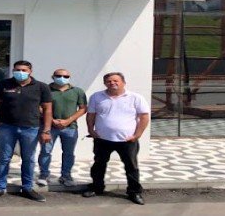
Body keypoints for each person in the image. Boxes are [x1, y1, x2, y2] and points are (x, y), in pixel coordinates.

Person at [0, 60, 52, 203]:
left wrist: (46, 130)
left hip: (30, 128)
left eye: (24, 70)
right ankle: (0, 187)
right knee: (4, 158)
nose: (20, 72)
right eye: (17, 70)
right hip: (6, 127)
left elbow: (47, 109)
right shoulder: (3, 84)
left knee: (28, 159)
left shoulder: (41, 87)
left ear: (30, 71)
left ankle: (27, 188)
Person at [83, 72, 150, 205]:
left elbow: (144, 116)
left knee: (131, 166)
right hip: (102, 139)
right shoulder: (96, 96)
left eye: (115, 81)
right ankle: (97, 187)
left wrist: (137, 135)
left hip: (127, 140)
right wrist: (91, 130)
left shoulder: (135, 98)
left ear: (123, 82)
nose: (112, 83)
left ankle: (134, 192)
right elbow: (91, 115)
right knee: (99, 164)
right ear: (105, 83)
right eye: (109, 81)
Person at [36, 68, 87, 187]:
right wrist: (51, 120)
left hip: (70, 127)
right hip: (48, 127)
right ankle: (44, 175)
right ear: (53, 76)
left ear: (69, 77)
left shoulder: (77, 91)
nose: (62, 78)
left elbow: (83, 108)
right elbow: (39, 107)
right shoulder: (45, 89)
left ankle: (66, 175)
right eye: (58, 76)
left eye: (65, 76)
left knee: (68, 153)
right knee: (45, 151)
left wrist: (68, 120)